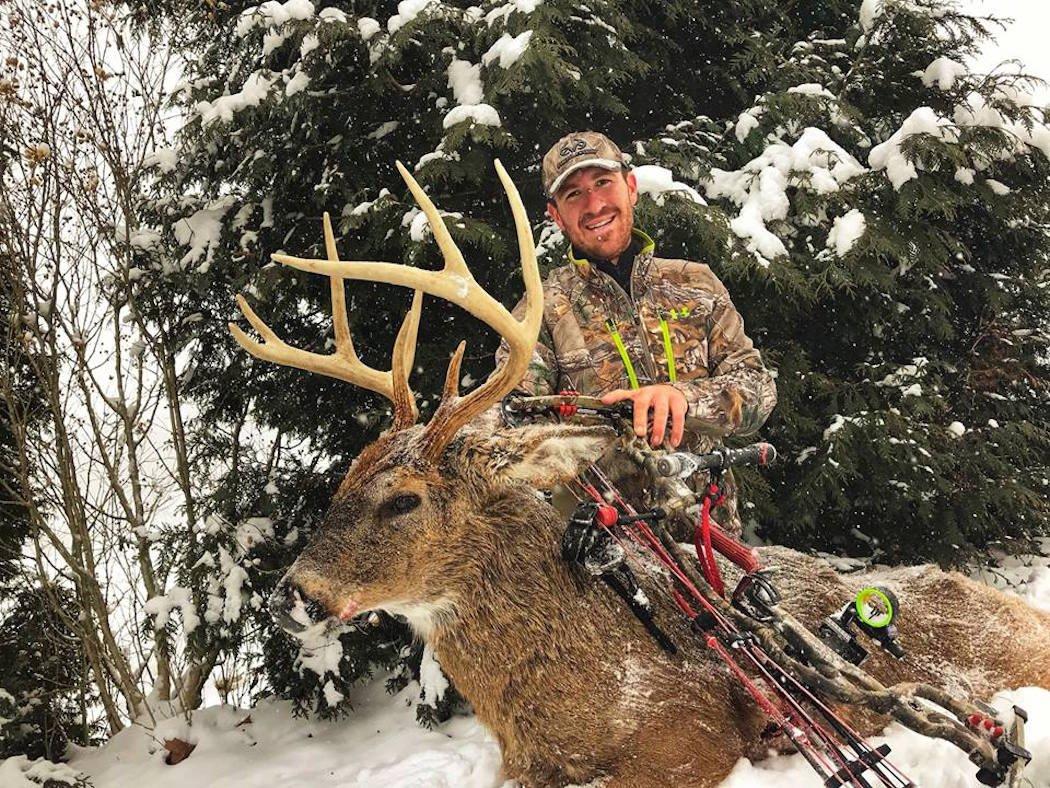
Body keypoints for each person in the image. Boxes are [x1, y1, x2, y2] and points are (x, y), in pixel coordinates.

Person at [498, 131, 777, 536]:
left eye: (602, 183)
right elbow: (507, 421)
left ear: (630, 188)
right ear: (556, 216)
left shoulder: (696, 283)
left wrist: (682, 398)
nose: (594, 205)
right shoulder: (540, 310)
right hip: (607, 558)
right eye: (573, 194)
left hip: (711, 542)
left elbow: (758, 390)